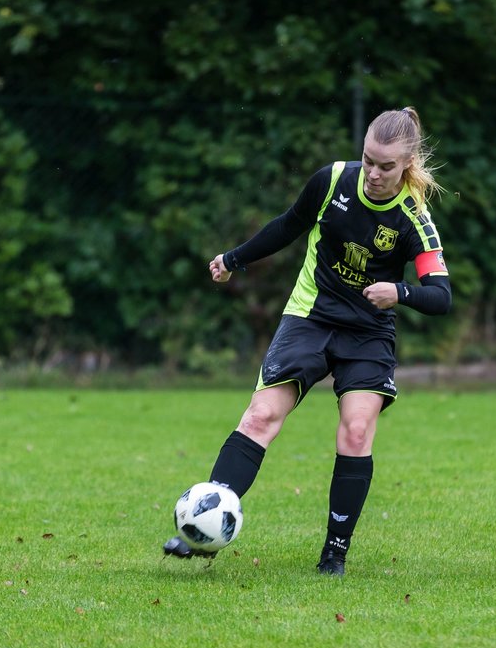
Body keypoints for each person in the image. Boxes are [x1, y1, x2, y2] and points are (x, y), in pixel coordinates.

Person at [164, 107, 452, 576]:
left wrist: (398, 292)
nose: (374, 174)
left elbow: (441, 296)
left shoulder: (413, 219)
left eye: (387, 167)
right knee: (260, 416)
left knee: (357, 431)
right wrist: (233, 259)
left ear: (408, 165)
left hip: (367, 332)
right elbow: (287, 224)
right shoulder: (333, 180)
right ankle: (201, 529)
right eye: (369, 160)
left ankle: (335, 553)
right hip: (310, 316)